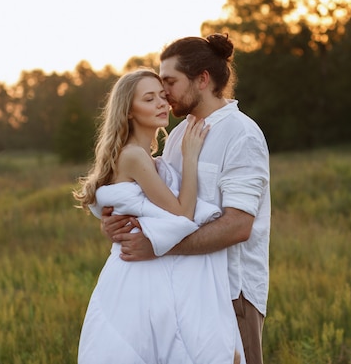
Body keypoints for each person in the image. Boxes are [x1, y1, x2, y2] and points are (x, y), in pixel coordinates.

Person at [102, 34, 271, 364]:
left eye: (170, 81)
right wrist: (119, 225)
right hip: (180, 290)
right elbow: (162, 207)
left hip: (230, 292)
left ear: (202, 80)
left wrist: (158, 246)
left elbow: (238, 226)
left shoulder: (242, 134)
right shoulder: (178, 133)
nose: (164, 93)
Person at [74, 68, 244, 364]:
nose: (162, 104)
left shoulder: (147, 158)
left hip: (138, 272)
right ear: (129, 111)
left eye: (163, 97)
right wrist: (191, 158)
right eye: (149, 99)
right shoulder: (134, 156)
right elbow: (182, 214)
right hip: (136, 278)